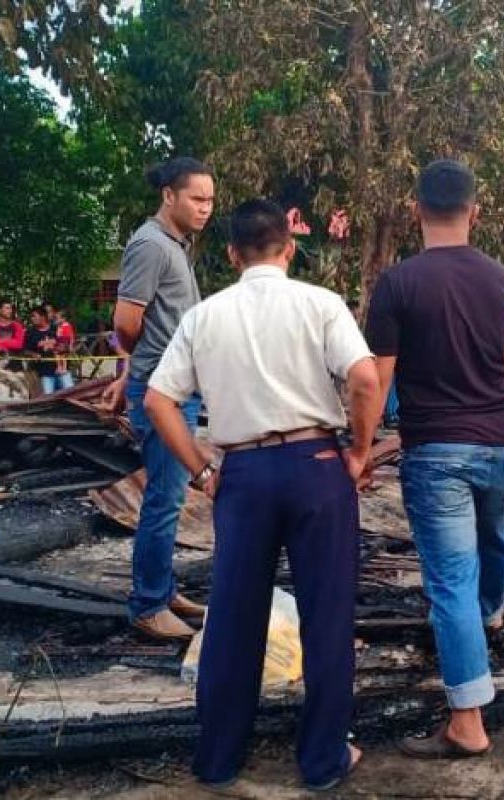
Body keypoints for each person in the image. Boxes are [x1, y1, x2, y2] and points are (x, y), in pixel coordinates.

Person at [145, 199, 378, 792]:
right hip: (316, 462)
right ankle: (323, 758)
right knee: (326, 616)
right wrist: (359, 449)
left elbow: (157, 401)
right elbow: (365, 377)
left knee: (232, 616)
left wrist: (201, 471)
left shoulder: (204, 315)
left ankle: (218, 759)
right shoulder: (320, 303)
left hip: (242, 474)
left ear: (230, 253)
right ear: (289, 247)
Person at [365, 159, 504, 758]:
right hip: (502, 443)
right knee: (495, 539)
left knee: (450, 581)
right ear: (474, 211)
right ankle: (489, 622)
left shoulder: (399, 282)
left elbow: (378, 378)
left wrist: (359, 449)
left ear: (415, 210)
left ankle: (467, 722)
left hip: (437, 451)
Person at [101, 156, 214, 640]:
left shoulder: (175, 244)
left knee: (167, 497)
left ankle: (163, 590)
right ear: (169, 195)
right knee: (163, 502)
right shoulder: (150, 244)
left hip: (173, 385)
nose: (205, 208)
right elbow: (126, 322)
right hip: (163, 392)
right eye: (196, 198)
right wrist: (144, 367)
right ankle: (148, 603)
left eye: (210, 199)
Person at [25, 305, 65, 394]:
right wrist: (33, 354)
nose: (32, 319)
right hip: (44, 373)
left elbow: (64, 345)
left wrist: (59, 347)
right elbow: (25, 350)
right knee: (48, 397)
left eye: (34, 316)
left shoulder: (56, 329)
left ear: (42, 317)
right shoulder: (30, 333)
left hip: (62, 370)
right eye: (31, 316)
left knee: (72, 393)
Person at [52, 306, 77, 389]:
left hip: (64, 342)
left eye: (58, 318)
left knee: (63, 355)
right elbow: (57, 335)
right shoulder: (59, 326)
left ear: (63, 318)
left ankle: (64, 368)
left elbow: (71, 336)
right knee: (57, 354)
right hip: (59, 342)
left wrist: (71, 345)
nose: (57, 320)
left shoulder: (67, 325)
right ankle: (59, 367)